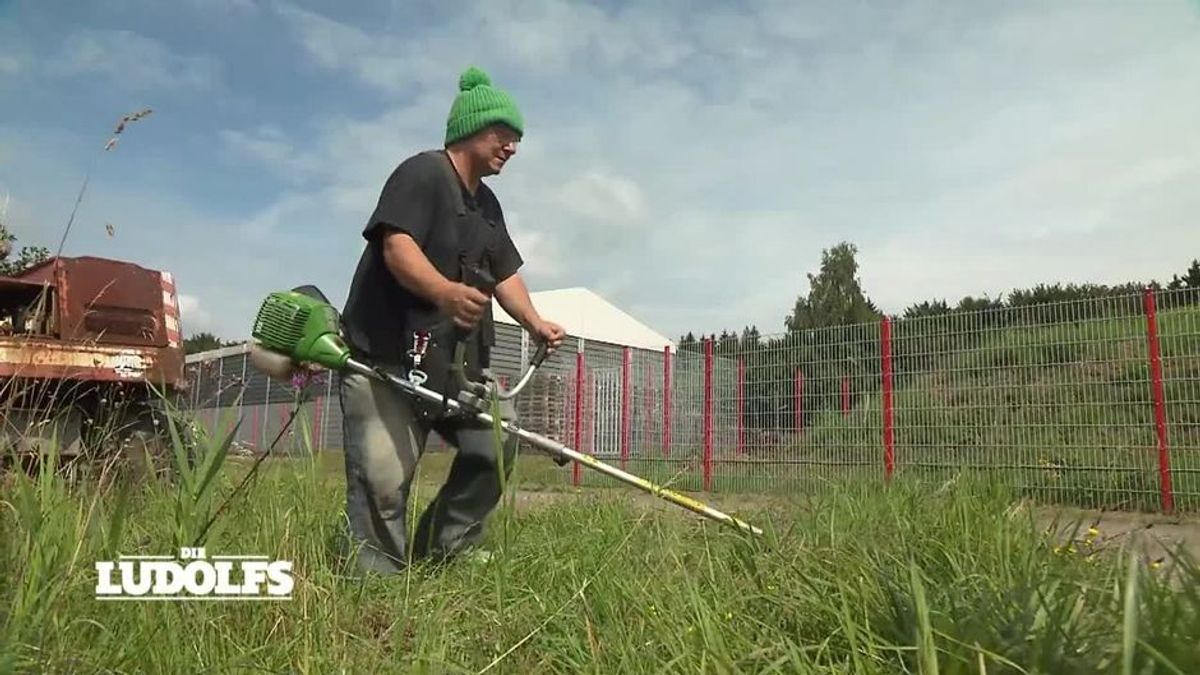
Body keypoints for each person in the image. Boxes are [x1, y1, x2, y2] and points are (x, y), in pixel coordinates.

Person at [335, 65, 565, 575]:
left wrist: (534, 321)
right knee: (385, 480)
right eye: (504, 135)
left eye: (516, 140)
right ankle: (376, 587)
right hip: (388, 361)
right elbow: (397, 246)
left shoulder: (487, 206)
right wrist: (444, 291)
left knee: (495, 444)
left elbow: (506, 272)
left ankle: (446, 548)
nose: (512, 148)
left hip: (452, 368)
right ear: (472, 130)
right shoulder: (422, 174)